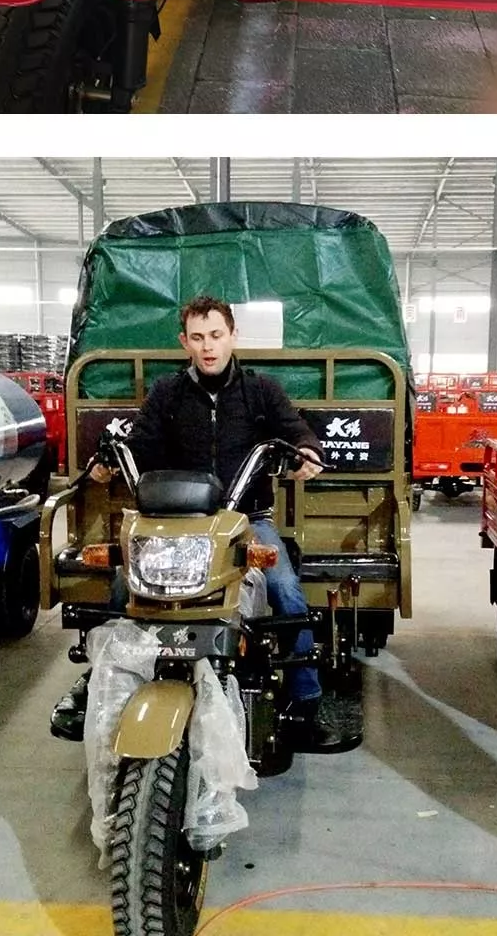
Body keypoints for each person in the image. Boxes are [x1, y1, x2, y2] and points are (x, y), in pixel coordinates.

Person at [116, 295, 343, 748]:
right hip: (178, 525)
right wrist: (110, 460)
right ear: (185, 342)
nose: (208, 347)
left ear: (233, 336)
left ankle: (305, 700)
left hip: (245, 519)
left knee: (284, 591)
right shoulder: (167, 393)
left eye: (216, 335)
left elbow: (293, 428)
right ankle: (111, 686)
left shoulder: (261, 390)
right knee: (123, 589)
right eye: (197, 338)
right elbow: (140, 441)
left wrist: (308, 450)